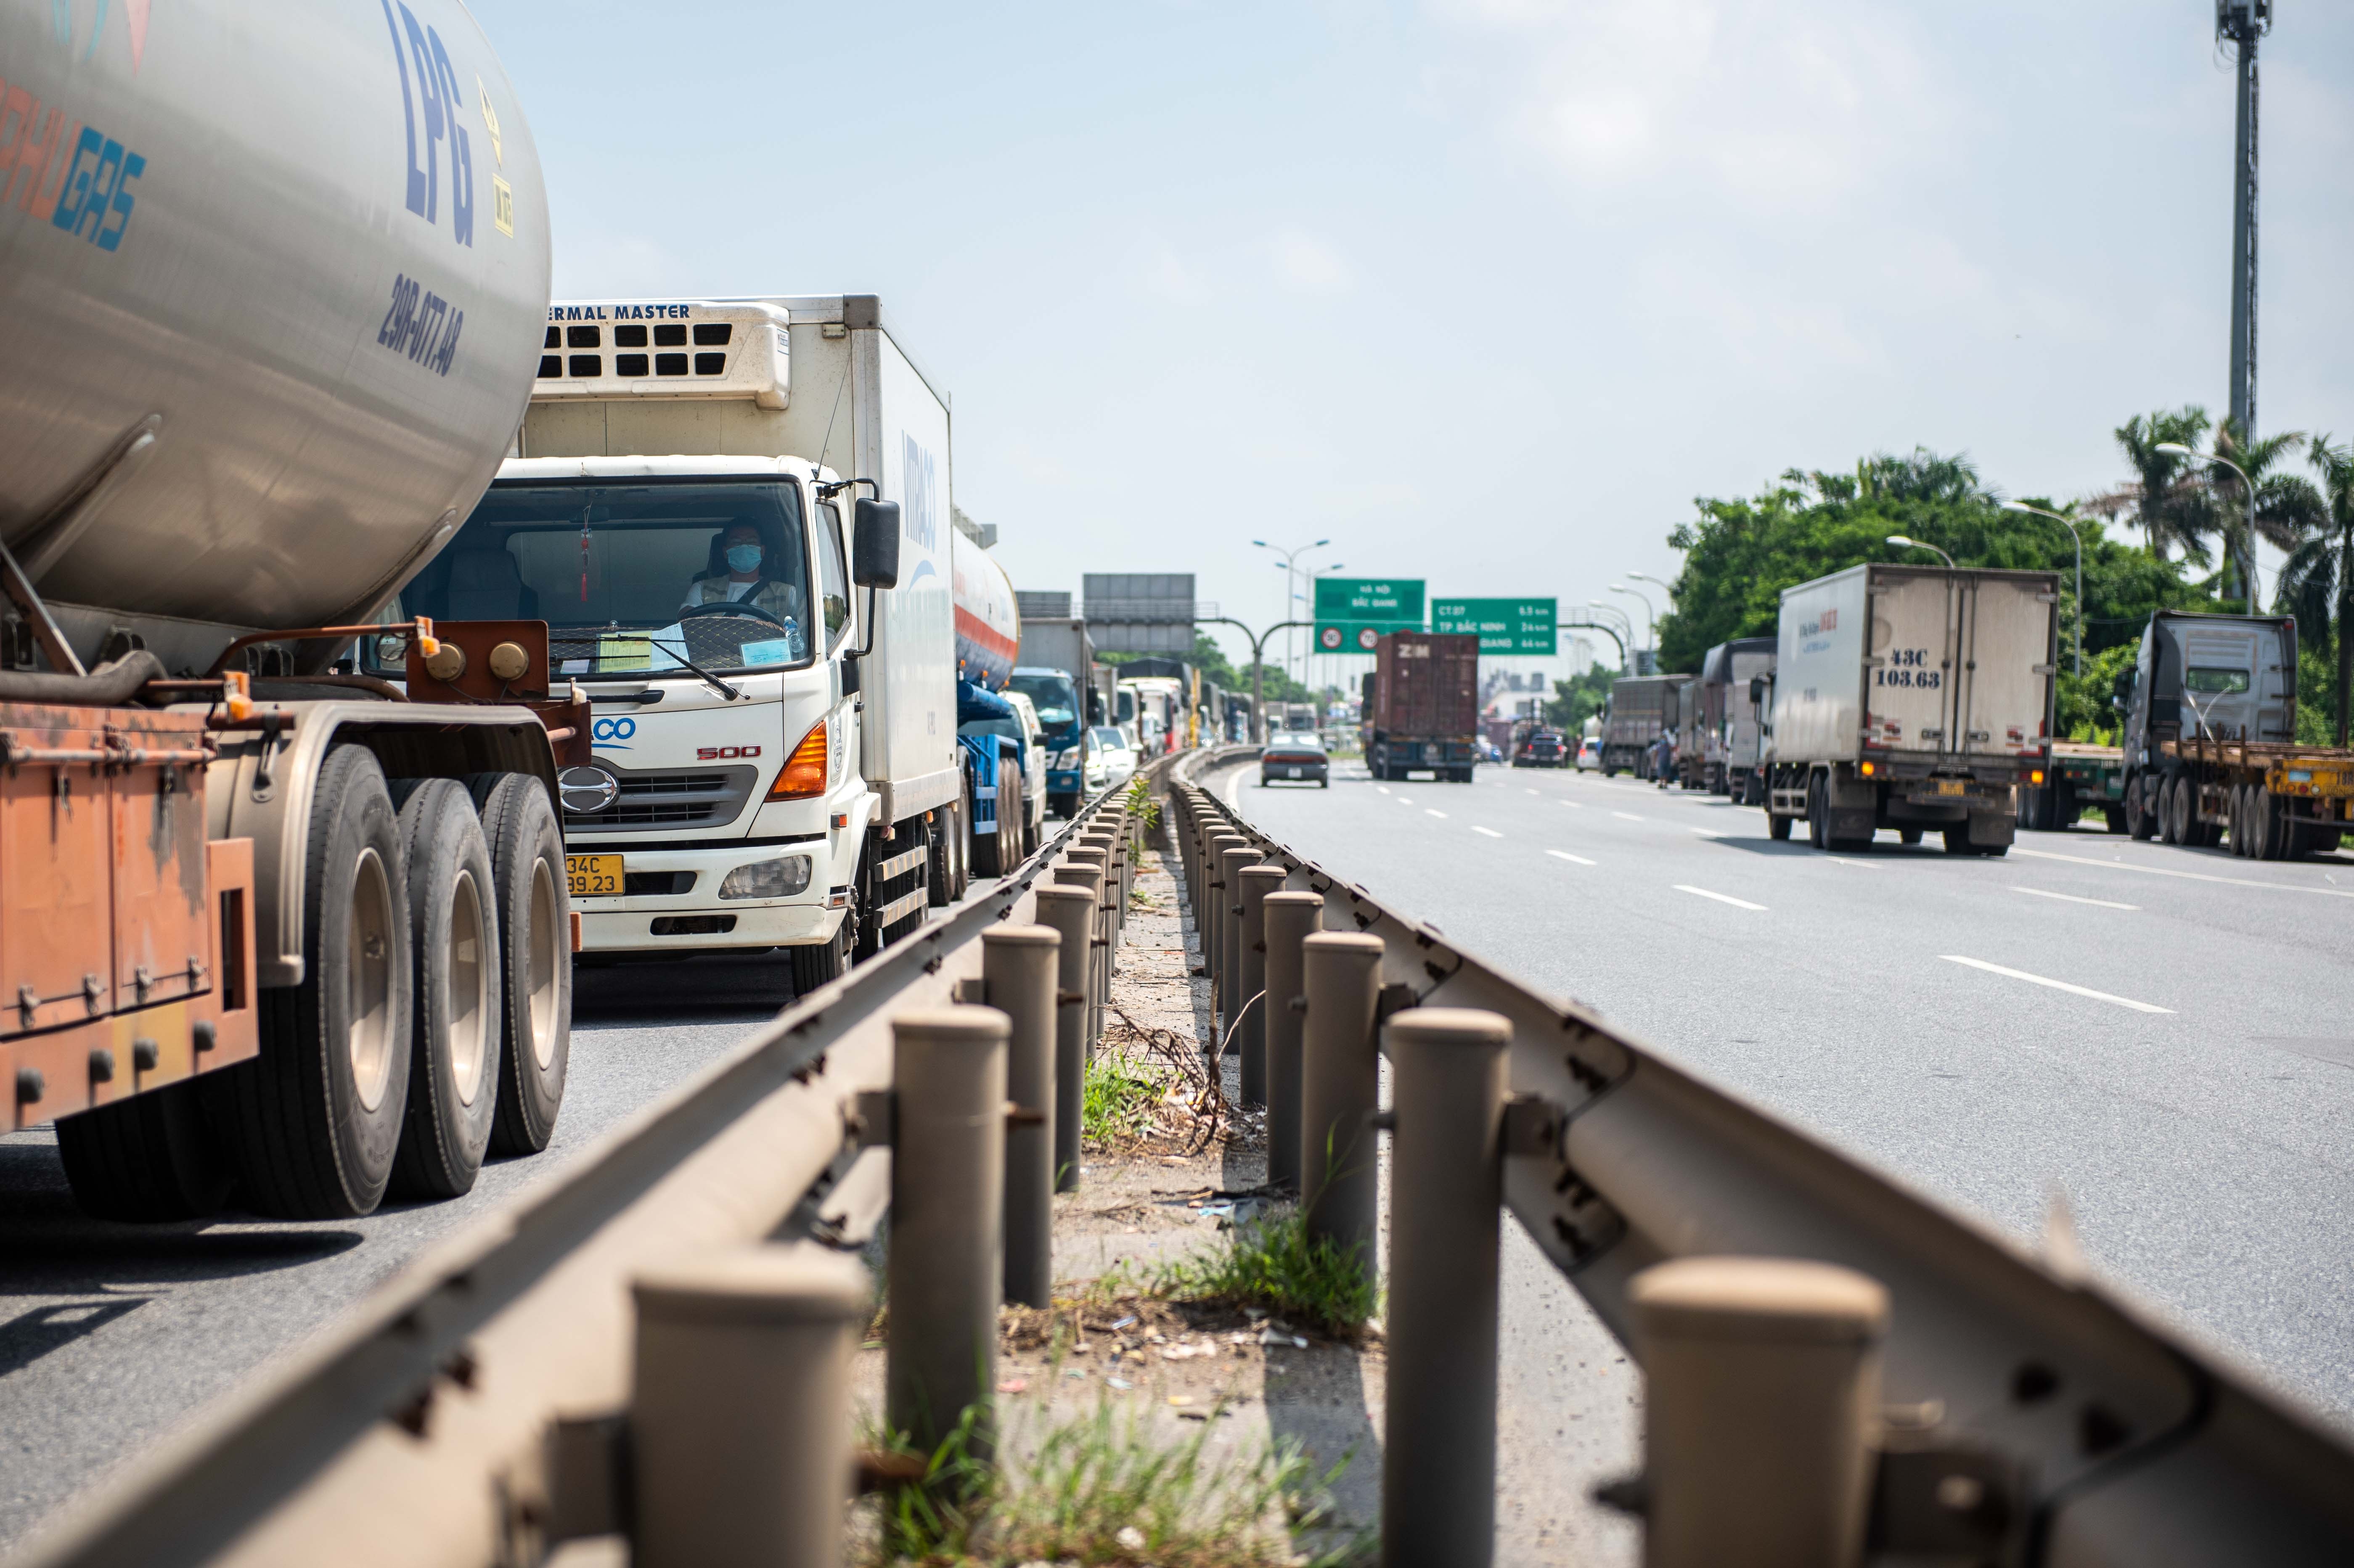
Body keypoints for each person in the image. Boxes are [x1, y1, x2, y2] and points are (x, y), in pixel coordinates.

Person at [681, 522, 807, 629]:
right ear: (726, 552)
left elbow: (810, 629)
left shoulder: (787, 594)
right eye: (736, 542)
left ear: (762, 551)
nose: (744, 547)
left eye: (751, 542)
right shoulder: (703, 590)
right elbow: (685, 624)